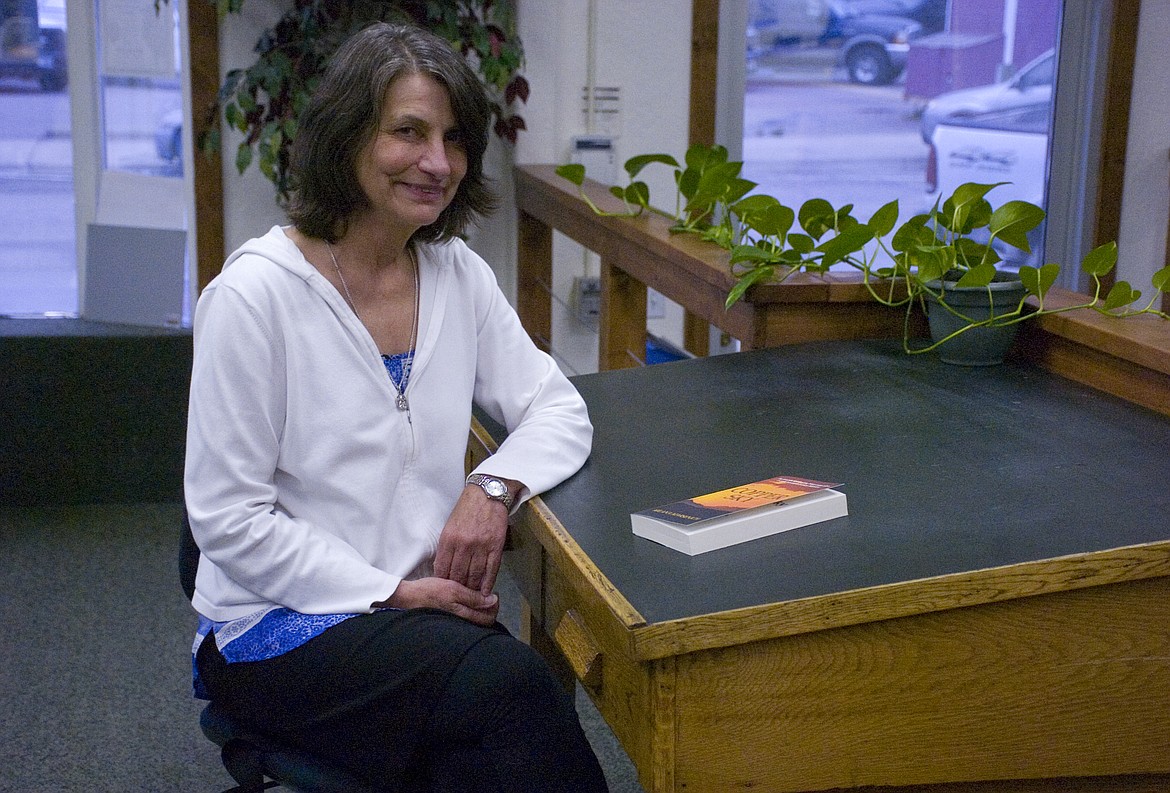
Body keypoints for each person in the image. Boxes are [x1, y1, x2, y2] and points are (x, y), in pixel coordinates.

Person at [184, 22, 607, 793]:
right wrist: (390, 591)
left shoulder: (456, 274)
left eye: (453, 138)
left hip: (414, 620)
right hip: (278, 625)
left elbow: (557, 407)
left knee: (477, 766)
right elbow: (227, 521)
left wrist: (491, 488)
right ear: (347, 138)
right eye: (407, 132)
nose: (437, 162)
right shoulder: (254, 297)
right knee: (514, 690)